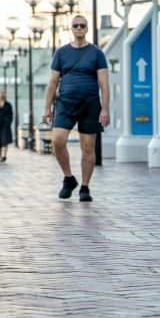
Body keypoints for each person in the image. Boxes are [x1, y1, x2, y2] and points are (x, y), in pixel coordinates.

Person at [42, 14, 109, 202]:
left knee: (88, 146)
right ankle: (69, 178)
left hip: (90, 104)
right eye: (75, 25)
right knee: (57, 140)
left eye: (82, 25)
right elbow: (53, 82)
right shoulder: (61, 53)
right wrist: (47, 108)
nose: (79, 28)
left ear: (87, 29)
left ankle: (85, 188)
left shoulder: (97, 53)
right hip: (65, 103)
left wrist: (105, 109)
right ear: (71, 29)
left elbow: (104, 84)